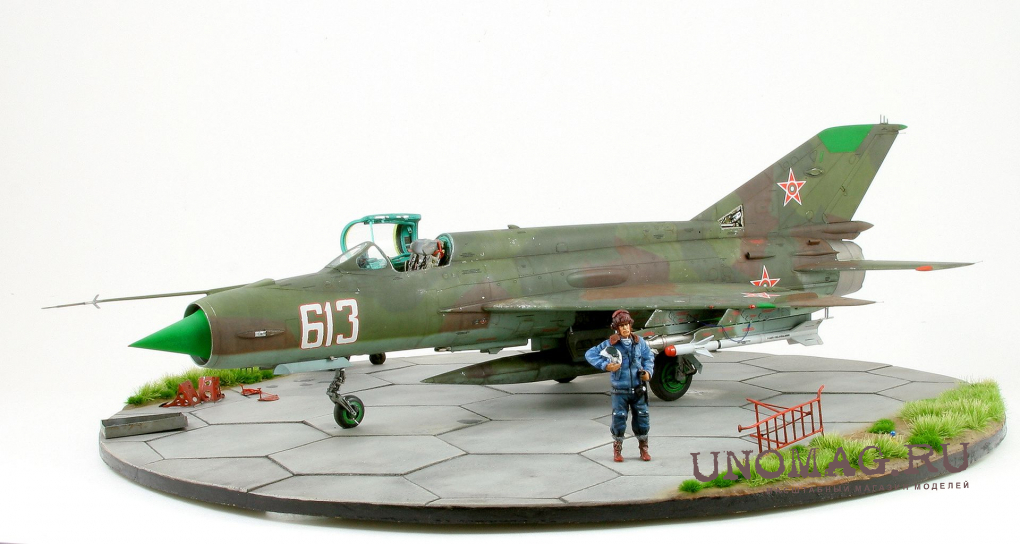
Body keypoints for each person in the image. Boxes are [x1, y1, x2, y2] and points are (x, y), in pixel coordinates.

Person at [585, 309, 654, 462]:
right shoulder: (611, 344)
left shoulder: (639, 342)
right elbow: (590, 354)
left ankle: (644, 448)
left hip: (638, 388)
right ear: (617, 328)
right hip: (619, 390)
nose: (625, 328)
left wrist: (648, 372)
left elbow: (649, 357)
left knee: (642, 418)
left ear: (630, 325)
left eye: (627, 324)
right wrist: (605, 365)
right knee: (619, 419)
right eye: (622, 326)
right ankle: (617, 450)